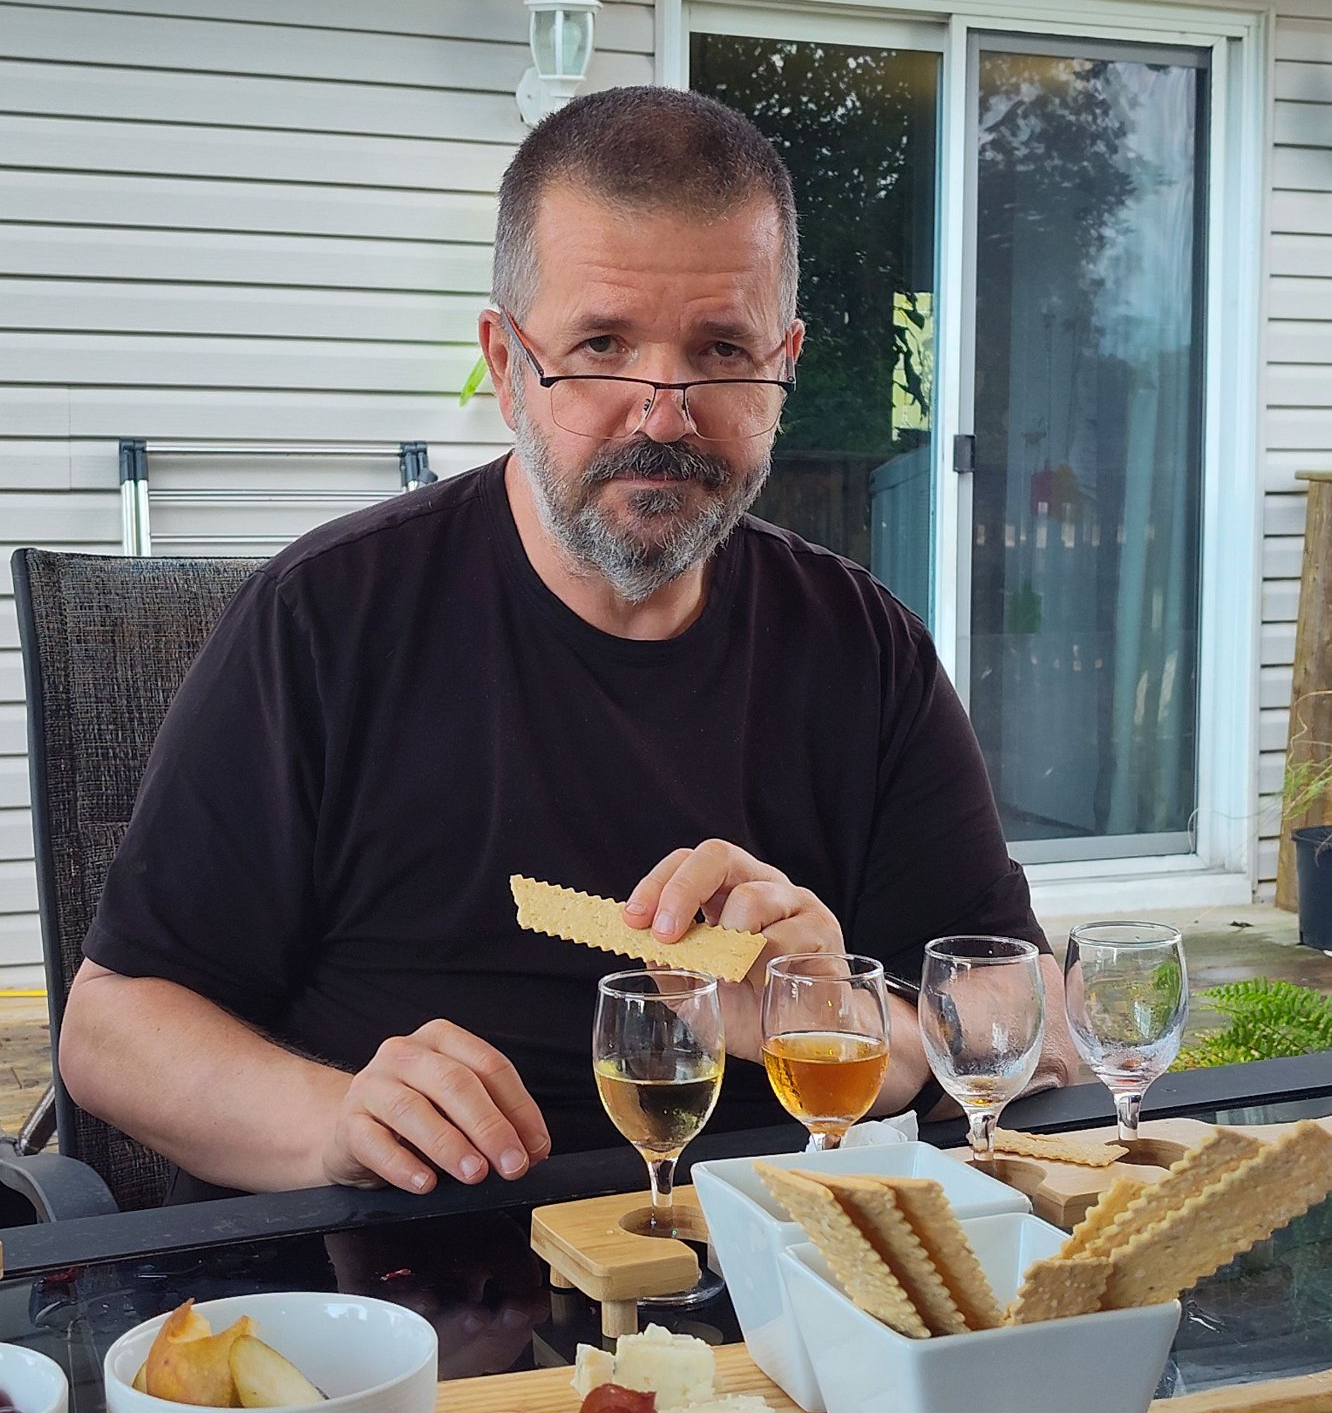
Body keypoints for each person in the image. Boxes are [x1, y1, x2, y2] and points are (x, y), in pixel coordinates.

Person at [60, 87, 1076, 1203]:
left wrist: (844, 1023)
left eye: (721, 349)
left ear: (782, 366)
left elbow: (1016, 1005)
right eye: (601, 346)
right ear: (506, 363)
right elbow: (111, 1030)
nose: (665, 412)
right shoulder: (324, 621)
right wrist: (333, 1120)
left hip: (775, 1253)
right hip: (401, 1257)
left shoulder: (864, 651)